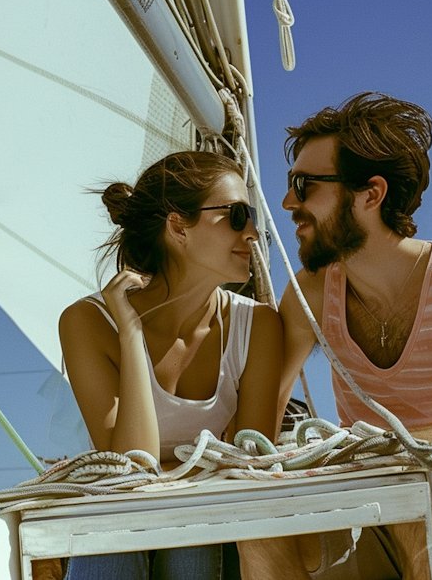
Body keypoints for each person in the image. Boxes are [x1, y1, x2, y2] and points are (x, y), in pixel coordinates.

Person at [242, 92, 432, 579]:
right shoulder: (311, 290)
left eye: (304, 185)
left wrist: (346, 458)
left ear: (370, 194)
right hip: (376, 493)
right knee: (258, 527)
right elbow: (260, 420)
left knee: (419, 514)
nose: (289, 202)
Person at [58, 151, 283, 580]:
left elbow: (249, 464)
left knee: (190, 543)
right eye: (237, 215)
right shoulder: (88, 322)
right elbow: (129, 466)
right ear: (179, 227)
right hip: (122, 517)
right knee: (112, 534)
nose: (255, 232)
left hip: (205, 519)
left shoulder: (259, 326)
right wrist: (132, 335)